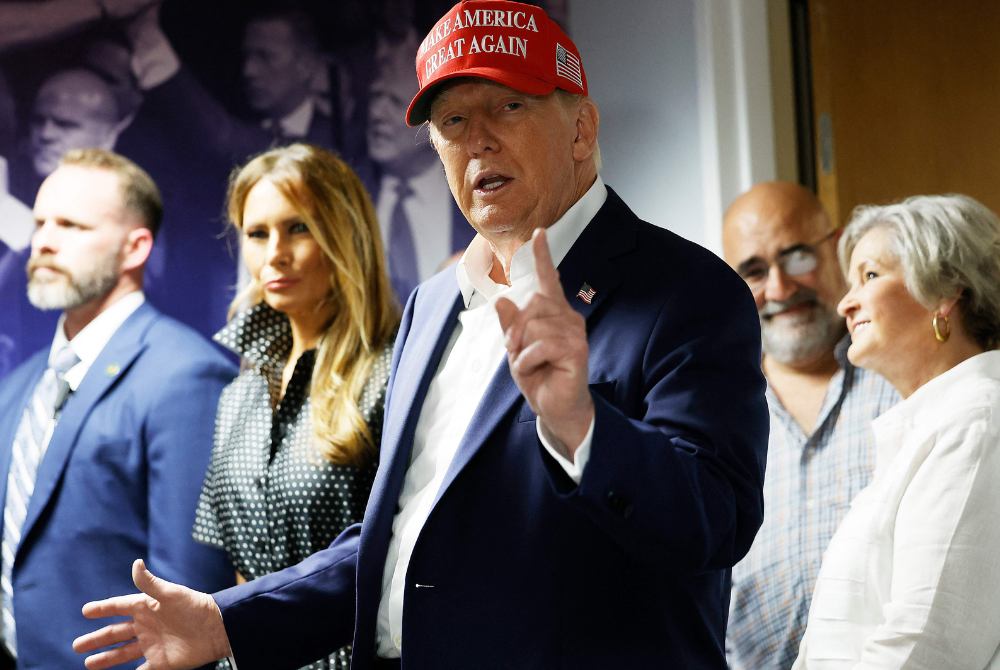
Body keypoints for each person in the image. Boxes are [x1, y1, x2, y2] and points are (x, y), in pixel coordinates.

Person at [75, 3, 769, 669]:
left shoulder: (689, 291)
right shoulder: (434, 304)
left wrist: (581, 425)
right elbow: (404, 536)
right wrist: (228, 620)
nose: (478, 141)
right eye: (452, 120)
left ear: (582, 129)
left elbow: (716, 522)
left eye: (509, 107)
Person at [0, 148, 236, 669]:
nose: (44, 241)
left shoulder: (185, 375)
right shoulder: (18, 386)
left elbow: (188, 591)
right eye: (40, 222)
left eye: (71, 224)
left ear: (136, 247)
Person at [195, 144, 398, 670]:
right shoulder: (238, 393)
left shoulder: (392, 374)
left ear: (343, 233)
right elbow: (241, 571)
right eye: (257, 234)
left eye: (299, 228)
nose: (274, 254)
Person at [789, 194, 1000, 668]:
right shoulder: (930, 428)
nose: (845, 303)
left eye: (870, 275)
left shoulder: (978, 422)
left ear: (945, 291)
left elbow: (925, 647)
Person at [722, 182, 899, 670]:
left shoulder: (907, 380)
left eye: (798, 257)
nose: (780, 289)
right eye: (754, 272)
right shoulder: (712, 413)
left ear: (840, 247)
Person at [366, 53, 475, 301]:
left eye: (393, 101)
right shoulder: (348, 192)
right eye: (375, 97)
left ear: (436, 119)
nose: (376, 113)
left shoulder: (483, 189)